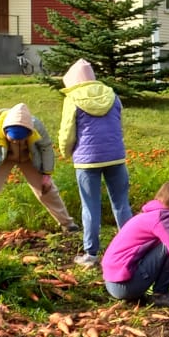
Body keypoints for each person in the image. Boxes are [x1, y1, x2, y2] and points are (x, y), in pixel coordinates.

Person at [0, 102, 77, 243]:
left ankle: (68, 225)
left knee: (46, 190)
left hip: (29, 157)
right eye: (12, 139)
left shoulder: (37, 127)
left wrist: (46, 175)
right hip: (2, 158)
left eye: (21, 139)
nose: (16, 142)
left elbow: (46, 148)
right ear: (5, 132)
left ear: (29, 133)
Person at [58, 59, 133, 268]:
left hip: (87, 161)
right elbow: (118, 123)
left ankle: (91, 255)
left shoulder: (73, 99)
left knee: (90, 207)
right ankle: (133, 248)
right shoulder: (112, 95)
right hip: (115, 156)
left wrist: (66, 152)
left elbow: (67, 131)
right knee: (121, 204)